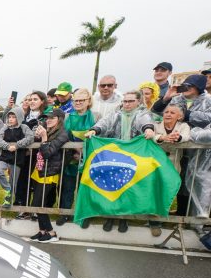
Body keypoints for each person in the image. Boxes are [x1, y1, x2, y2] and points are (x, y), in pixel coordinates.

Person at [85, 90, 156, 233]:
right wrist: (94, 130)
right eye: (125, 101)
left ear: (138, 102)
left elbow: (146, 122)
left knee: (128, 187)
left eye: (130, 101)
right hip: (115, 157)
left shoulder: (143, 113)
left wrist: (148, 129)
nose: (127, 104)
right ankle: (110, 217)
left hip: (133, 157)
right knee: (114, 186)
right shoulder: (116, 114)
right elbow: (104, 123)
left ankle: (124, 218)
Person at [149, 104, 192, 236]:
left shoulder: (183, 126)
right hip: (156, 165)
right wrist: (161, 138)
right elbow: (151, 135)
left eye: (172, 113)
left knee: (168, 192)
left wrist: (177, 138)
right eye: (166, 112)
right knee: (155, 191)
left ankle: (162, 216)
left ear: (179, 116)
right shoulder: (156, 125)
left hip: (173, 165)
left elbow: (185, 136)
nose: (168, 114)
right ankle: (154, 222)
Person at [29, 108, 69, 242]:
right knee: (39, 203)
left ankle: (51, 233)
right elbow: (37, 145)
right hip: (39, 170)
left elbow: (48, 153)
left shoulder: (63, 134)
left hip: (49, 172)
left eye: (52, 118)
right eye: (47, 118)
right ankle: (42, 231)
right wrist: (37, 136)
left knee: (38, 203)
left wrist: (44, 137)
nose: (48, 120)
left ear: (60, 119)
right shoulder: (47, 130)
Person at [58, 88, 95, 225]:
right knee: (68, 187)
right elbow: (63, 135)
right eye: (76, 100)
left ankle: (83, 215)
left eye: (81, 100)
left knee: (84, 189)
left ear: (88, 101)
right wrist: (74, 150)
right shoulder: (68, 117)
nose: (78, 103)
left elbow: (100, 136)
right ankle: (65, 214)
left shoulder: (96, 116)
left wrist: (84, 152)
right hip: (71, 158)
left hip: (89, 159)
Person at [0, 106, 34, 208]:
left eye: (13, 117)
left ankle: (8, 201)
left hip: (17, 158)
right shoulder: (5, 127)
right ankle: (7, 189)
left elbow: (30, 137)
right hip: (5, 156)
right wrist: (7, 146)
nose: (10, 119)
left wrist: (17, 145)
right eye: (9, 117)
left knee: (13, 181)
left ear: (19, 118)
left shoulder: (24, 127)